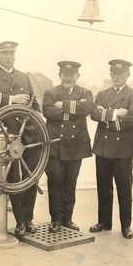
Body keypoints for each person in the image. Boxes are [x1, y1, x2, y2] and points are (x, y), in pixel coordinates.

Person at [0, 41, 41, 236]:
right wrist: (12, 100)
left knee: (31, 176)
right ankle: (20, 221)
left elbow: (33, 102)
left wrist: (39, 116)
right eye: (4, 53)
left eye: (11, 53)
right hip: (6, 132)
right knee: (12, 178)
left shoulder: (24, 76)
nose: (8, 57)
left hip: (29, 133)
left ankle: (29, 219)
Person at [90, 59, 133, 239]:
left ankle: (126, 225)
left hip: (123, 149)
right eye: (114, 73)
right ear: (110, 74)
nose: (117, 77)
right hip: (103, 147)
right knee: (103, 186)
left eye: (121, 74)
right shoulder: (102, 94)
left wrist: (107, 115)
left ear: (127, 75)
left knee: (124, 187)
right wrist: (117, 113)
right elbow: (94, 114)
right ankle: (104, 221)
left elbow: (132, 119)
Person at [42, 61, 93, 233]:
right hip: (56, 144)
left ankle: (67, 219)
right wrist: (75, 110)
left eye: (72, 75)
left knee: (71, 184)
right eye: (65, 75)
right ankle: (56, 219)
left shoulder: (86, 92)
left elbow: (88, 108)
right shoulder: (50, 92)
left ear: (78, 76)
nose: (68, 78)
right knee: (55, 184)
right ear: (60, 76)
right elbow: (48, 112)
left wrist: (62, 106)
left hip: (76, 145)